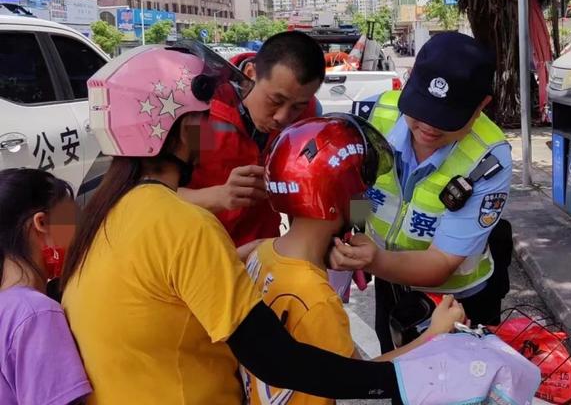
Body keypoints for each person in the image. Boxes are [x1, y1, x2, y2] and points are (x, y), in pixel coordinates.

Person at [59, 41, 471, 405]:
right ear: (186, 128)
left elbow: (349, 191)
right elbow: (283, 363)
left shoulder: (110, 208)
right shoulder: (187, 223)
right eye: (201, 121)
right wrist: (428, 350)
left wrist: (237, 258)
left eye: (296, 106)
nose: (282, 116)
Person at [243, 114, 466, 404]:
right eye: (363, 192)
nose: (366, 201)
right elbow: (358, 377)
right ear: (340, 197)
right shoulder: (316, 299)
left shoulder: (262, 252)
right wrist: (434, 334)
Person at [330, 32, 514, 352]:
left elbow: (441, 261)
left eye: (445, 119)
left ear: (481, 106)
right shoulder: (376, 114)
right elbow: (360, 188)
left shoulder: (490, 158)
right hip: (392, 283)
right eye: (421, 110)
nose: (428, 127)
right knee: (396, 367)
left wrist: (372, 260)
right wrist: (355, 230)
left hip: (458, 300)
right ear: (410, 81)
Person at [179, 32, 325, 250]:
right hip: (196, 259)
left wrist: (346, 234)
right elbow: (151, 195)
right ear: (250, 74)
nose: (283, 118)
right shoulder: (202, 109)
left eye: (298, 106)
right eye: (276, 100)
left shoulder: (308, 117)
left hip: (262, 258)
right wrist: (218, 196)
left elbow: (331, 188)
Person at [0, 168, 91, 405]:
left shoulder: (7, 308)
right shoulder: (36, 313)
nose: (81, 235)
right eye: (72, 221)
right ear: (41, 223)